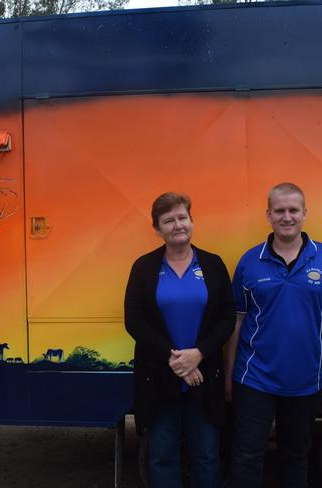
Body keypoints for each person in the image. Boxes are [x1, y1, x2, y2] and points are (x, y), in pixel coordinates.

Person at [225, 182, 322, 488]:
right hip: (253, 379)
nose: (287, 217)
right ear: (268, 214)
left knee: (296, 456)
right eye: (279, 211)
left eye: (293, 210)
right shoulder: (249, 262)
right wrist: (228, 375)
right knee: (246, 456)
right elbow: (236, 322)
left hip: (305, 380)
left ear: (305, 213)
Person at [124, 192, 236, 488]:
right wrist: (177, 360)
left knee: (207, 456)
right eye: (168, 220)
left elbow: (227, 317)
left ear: (192, 221)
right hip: (159, 378)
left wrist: (199, 354)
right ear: (157, 228)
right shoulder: (144, 267)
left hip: (204, 379)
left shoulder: (212, 265)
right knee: (162, 457)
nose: (177, 225)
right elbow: (134, 321)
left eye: (182, 218)